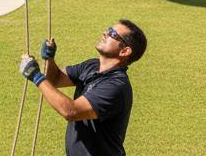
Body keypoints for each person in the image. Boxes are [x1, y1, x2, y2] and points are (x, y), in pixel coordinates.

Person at [18, 20, 147, 156]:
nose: (105, 33)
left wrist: (36, 76)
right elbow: (54, 79)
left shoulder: (116, 87)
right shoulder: (92, 66)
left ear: (125, 51)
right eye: (108, 29)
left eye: (112, 34)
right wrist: (50, 58)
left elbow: (71, 111)